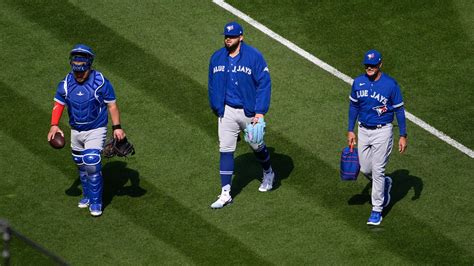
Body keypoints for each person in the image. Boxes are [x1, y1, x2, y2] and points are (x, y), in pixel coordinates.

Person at [47, 44, 127, 217]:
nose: (79, 75)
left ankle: (97, 203)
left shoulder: (101, 82)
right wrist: (54, 124)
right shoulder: (66, 84)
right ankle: (87, 196)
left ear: (89, 66)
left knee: (91, 162)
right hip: (76, 130)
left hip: (95, 129)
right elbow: (58, 104)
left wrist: (117, 127)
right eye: (76, 72)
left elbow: (112, 105)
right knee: (81, 165)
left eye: (82, 72)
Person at [208, 22, 275, 209]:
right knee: (225, 149)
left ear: (241, 37)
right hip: (226, 111)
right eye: (226, 36)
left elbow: (264, 83)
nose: (228, 39)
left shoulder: (254, 57)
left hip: (249, 112)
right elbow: (212, 85)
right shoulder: (217, 58)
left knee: (256, 145)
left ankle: (268, 172)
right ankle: (225, 193)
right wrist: (216, 108)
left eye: (232, 36)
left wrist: (260, 112)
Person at [347, 49, 408, 225]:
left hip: (383, 131)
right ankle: (385, 184)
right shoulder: (358, 83)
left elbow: (399, 110)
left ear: (380, 65)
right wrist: (350, 130)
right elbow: (353, 107)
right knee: (366, 169)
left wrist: (403, 135)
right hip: (363, 130)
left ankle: (377, 209)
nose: (369, 68)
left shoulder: (390, 85)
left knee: (378, 169)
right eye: (367, 65)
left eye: (373, 65)